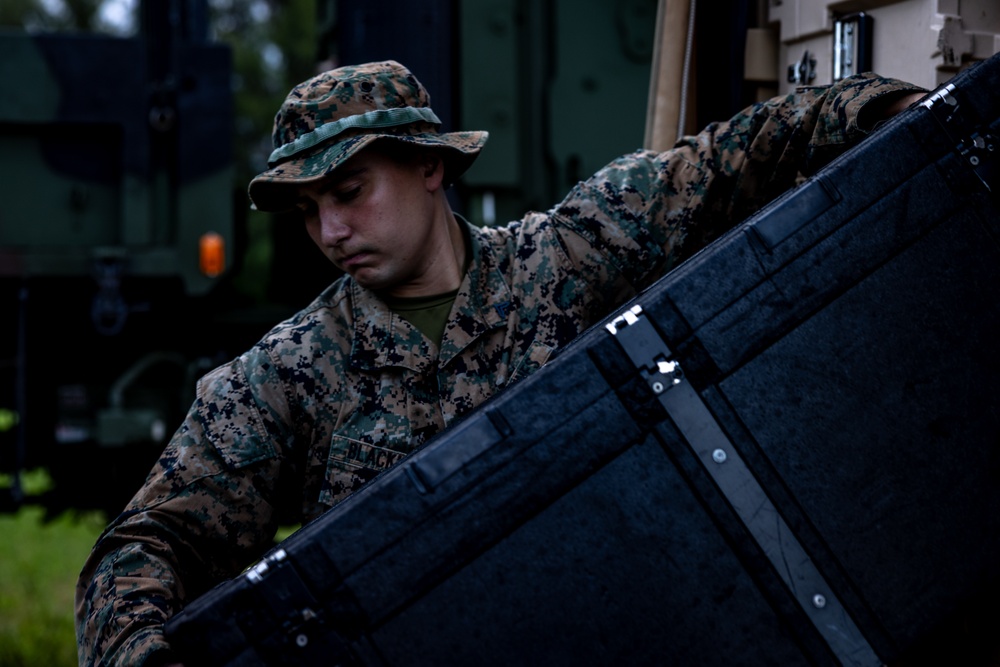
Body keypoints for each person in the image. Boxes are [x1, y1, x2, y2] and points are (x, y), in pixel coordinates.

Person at [75, 59, 925, 666]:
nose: (328, 230)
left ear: (431, 166)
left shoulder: (568, 255)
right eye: (306, 210)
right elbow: (139, 551)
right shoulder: (287, 375)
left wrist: (911, 115)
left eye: (348, 191)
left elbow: (739, 153)